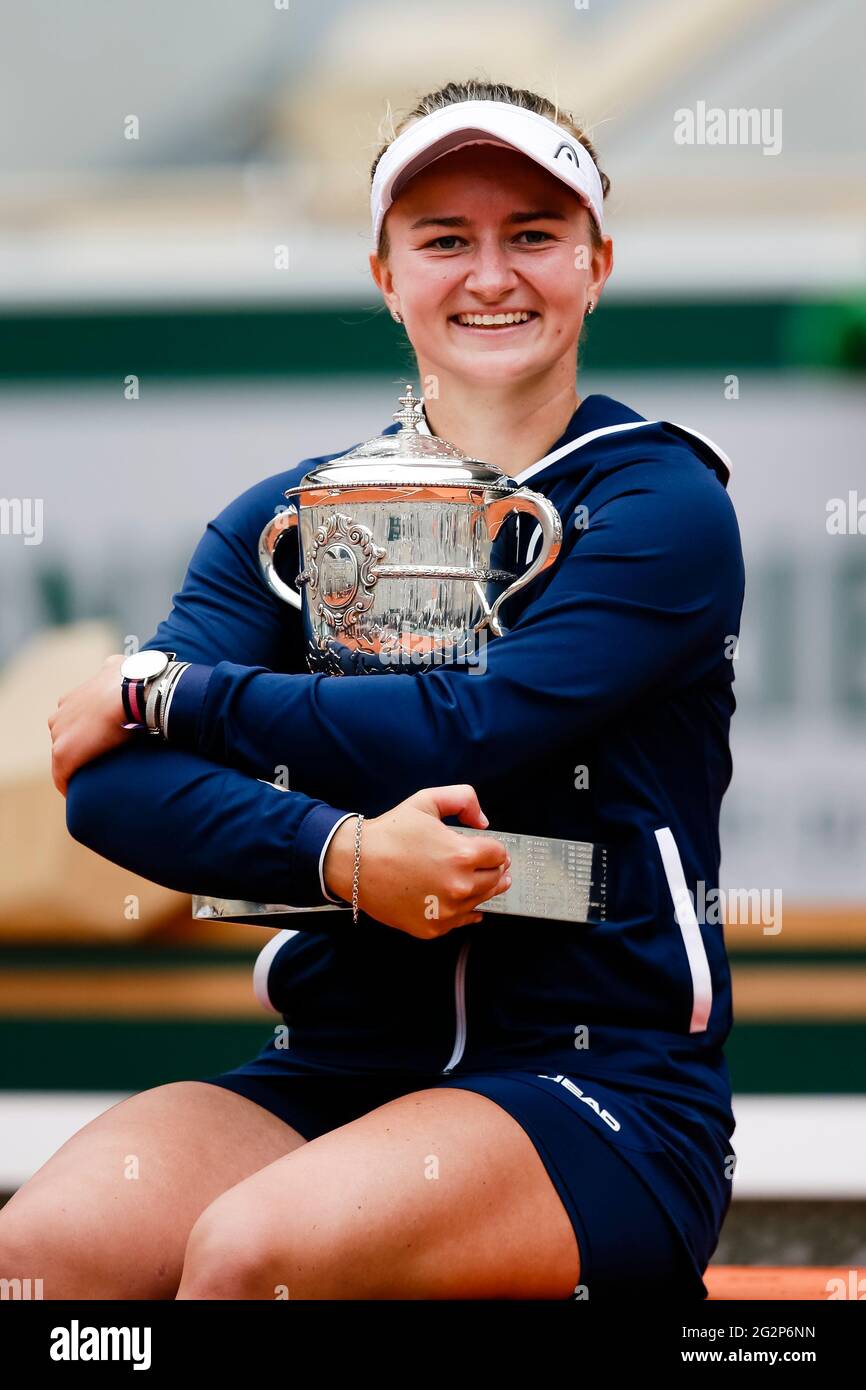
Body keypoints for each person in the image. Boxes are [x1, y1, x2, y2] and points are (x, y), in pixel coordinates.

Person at [9, 78, 744, 1302]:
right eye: (443, 240)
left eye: (532, 235)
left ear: (595, 262)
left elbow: (476, 725)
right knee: (41, 1260)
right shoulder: (292, 517)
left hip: (594, 1089)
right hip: (334, 1070)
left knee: (257, 1255)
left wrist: (167, 692)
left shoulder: (658, 503)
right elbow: (110, 794)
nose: (491, 275)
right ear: (384, 276)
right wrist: (342, 854)